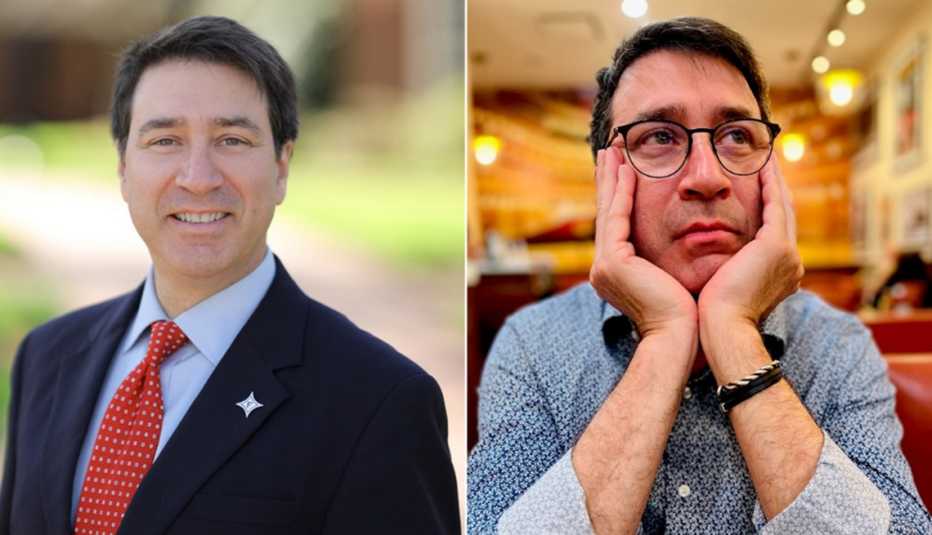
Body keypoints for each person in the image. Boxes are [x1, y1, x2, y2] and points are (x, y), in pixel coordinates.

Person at [468, 17, 931, 534]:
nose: (708, 177)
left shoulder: (838, 345)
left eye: (736, 136)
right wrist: (666, 338)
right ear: (607, 179)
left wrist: (732, 330)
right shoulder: (532, 345)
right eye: (660, 137)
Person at [1, 16, 459, 535]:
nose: (198, 178)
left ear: (282, 166)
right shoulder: (47, 358)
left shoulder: (380, 402)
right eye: (165, 140)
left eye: (232, 140)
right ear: (124, 168)